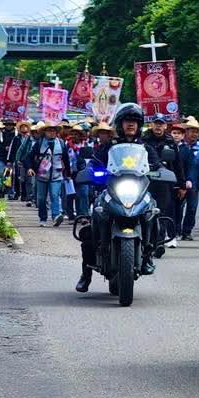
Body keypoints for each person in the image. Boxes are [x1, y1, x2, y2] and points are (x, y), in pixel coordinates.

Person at [75, 103, 161, 292]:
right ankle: (86, 274)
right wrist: (91, 171)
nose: (131, 125)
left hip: (137, 191)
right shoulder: (109, 146)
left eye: (134, 122)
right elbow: (95, 163)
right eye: (127, 121)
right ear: (120, 124)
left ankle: (147, 255)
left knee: (152, 212)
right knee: (91, 225)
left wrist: (160, 171)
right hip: (112, 190)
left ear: (139, 125)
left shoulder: (145, 147)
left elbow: (156, 165)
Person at [141, 113, 187, 246]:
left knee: (163, 210)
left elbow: (178, 164)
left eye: (161, 124)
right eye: (156, 123)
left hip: (165, 180)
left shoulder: (170, 142)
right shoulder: (143, 140)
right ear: (151, 125)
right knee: (144, 209)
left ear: (165, 126)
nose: (158, 126)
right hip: (145, 180)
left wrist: (182, 185)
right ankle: (144, 239)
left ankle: (160, 241)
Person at [29, 122, 69, 226]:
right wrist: (30, 168)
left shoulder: (61, 143)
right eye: (49, 130)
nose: (51, 133)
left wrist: (68, 174)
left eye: (53, 131)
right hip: (42, 175)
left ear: (56, 132)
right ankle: (43, 218)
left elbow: (66, 159)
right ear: (45, 132)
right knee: (41, 198)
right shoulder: (39, 143)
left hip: (57, 174)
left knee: (55, 195)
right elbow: (29, 157)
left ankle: (56, 216)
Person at [179, 119, 199, 241]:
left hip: (194, 182)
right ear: (186, 132)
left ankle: (187, 231)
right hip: (180, 181)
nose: (194, 134)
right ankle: (176, 230)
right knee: (178, 207)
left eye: (196, 131)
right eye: (192, 131)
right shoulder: (179, 146)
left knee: (192, 208)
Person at [6, 120, 33, 202]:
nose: (24, 128)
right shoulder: (16, 138)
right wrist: (10, 160)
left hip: (28, 161)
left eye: (25, 127)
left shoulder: (30, 139)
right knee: (18, 178)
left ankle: (26, 195)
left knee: (27, 179)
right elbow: (12, 150)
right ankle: (17, 193)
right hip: (18, 161)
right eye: (22, 127)